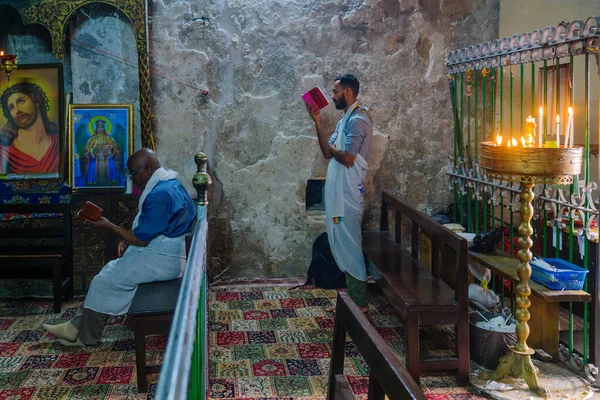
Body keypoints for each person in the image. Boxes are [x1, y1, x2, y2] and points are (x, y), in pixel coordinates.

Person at [43, 148, 197, 346]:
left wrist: (108, 225)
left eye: (134, 174)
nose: (133, 179)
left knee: (104, 281)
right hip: (170, 252)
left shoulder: (159, 194)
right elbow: (152, 227)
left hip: (165, 260)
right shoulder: (170, 183)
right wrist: (127, 238)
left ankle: (85, 337)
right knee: (109, 271)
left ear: (148, 168)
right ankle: (75, 327)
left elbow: (142, 239)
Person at [306, 74, 373, 313]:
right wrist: (317, 122)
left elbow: (346, 158)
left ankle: (360, 304)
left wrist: (336, 150)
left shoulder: (357, 120)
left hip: (348, 195)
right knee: (342, 244)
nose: (331, 96)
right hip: (339, 194)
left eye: (335, 92)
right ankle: (355, 299)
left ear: (348, 92)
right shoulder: (344, 120)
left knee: (351, 247)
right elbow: (327, 152)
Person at [0, 82, 59, 174]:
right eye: (11, 107)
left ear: (36, 102)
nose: (17, 110)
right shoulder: (4, 152)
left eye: (21, 101)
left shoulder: (58, 144)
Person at [84, 119, 120, 186]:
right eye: (99, 127)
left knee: (111, 166)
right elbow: (87, 152)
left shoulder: (110, 138)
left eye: (102, 127)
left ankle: (113, 181)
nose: (100, 128)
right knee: (92, 167)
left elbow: (116, 150)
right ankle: (91, 183)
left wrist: (110, 148)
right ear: (96, 128)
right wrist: (94, 148)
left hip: (108, 158)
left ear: (104, 128)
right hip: (95, 158)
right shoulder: (91, 139)